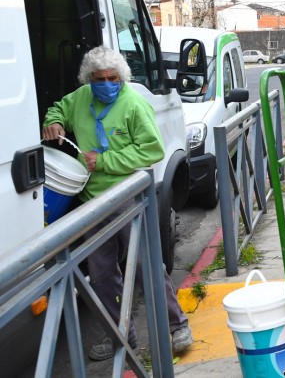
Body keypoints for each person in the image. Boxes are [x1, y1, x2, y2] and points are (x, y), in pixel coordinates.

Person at [41, 47, 193, 360]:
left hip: (128, 198)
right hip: (92, 202)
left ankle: (178, 326)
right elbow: (58, 109)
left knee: (145, 266)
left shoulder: (135, 104)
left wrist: (106, 160)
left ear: (121, 78)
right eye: (100, 79)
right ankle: (119, 337)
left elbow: (152, 151)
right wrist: (54, 121)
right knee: (101, 275)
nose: (107, 84)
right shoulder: (81, 98)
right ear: (89, 79)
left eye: (113, 78)